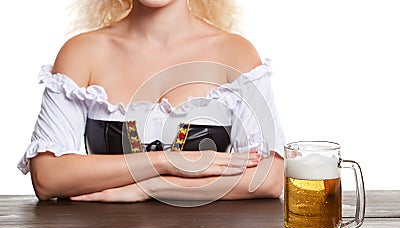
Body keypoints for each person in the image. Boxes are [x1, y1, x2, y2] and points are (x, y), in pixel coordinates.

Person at [18, 0, 285, 203]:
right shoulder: (82, 52)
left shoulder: (235, 53)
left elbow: (269, 178)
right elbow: (48, 177)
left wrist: (151, 187)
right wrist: (165, 161)